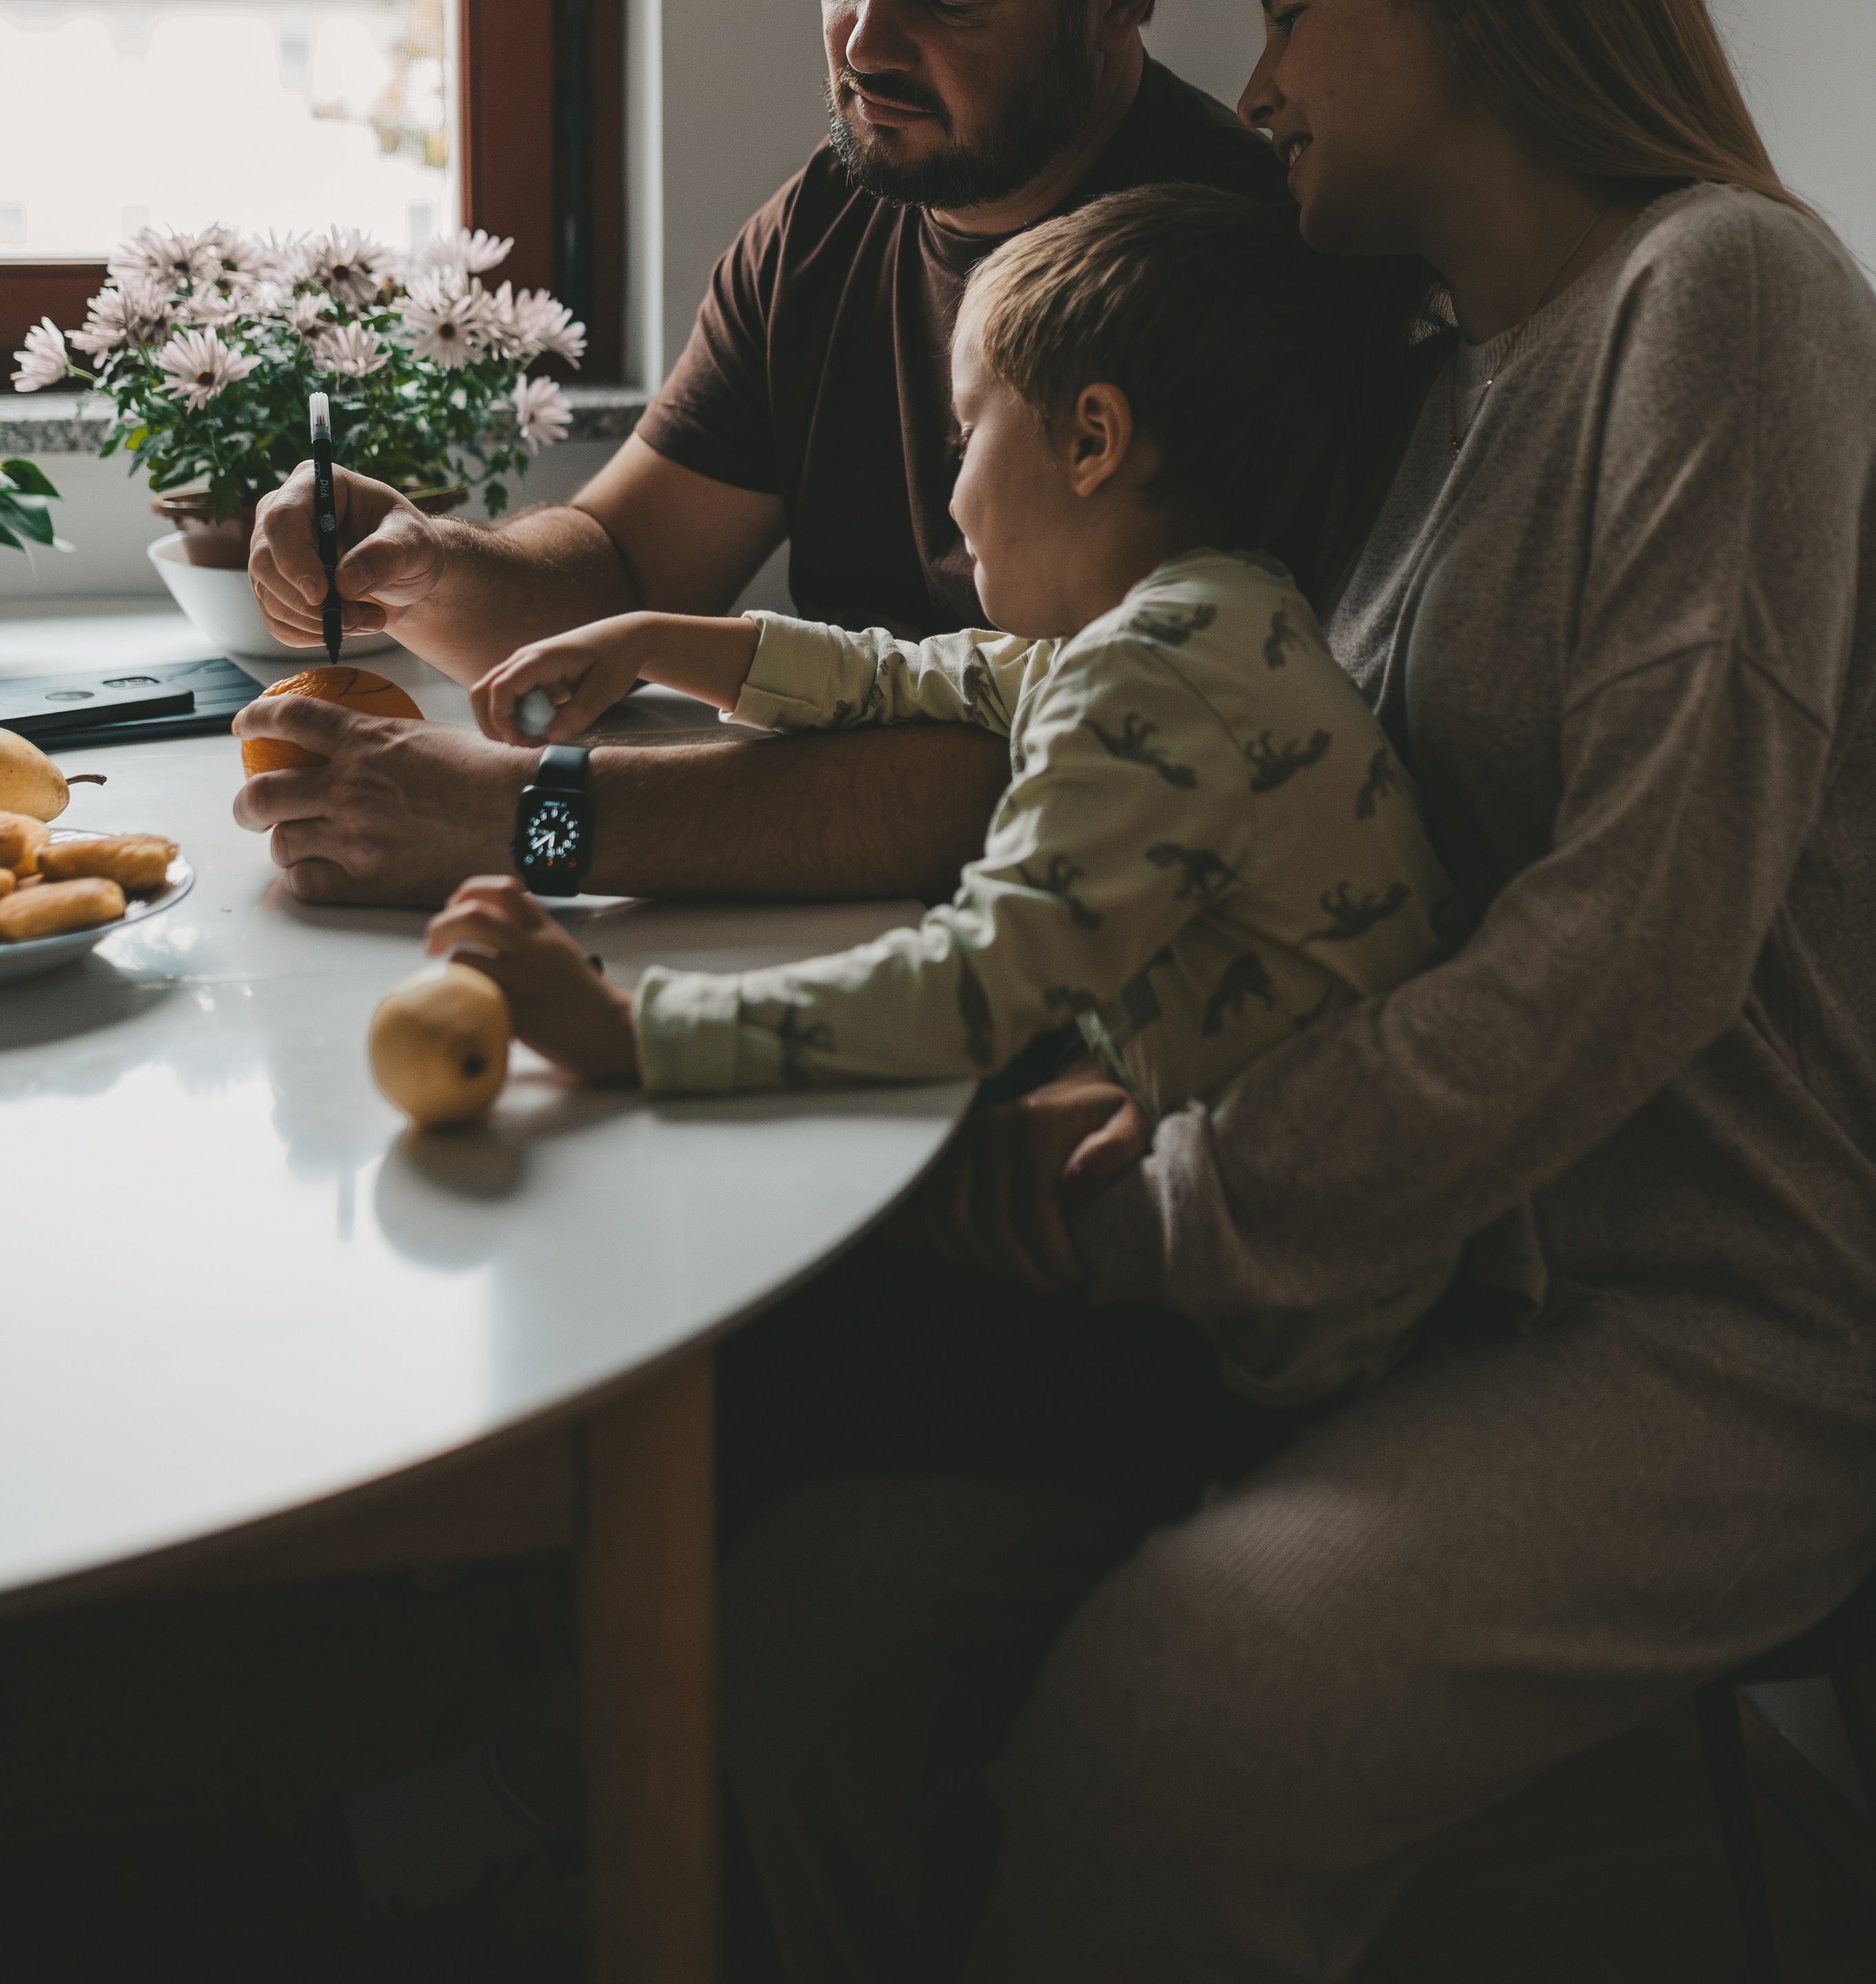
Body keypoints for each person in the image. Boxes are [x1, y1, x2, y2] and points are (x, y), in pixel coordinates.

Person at [714, 0, 1876, 1981]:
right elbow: (1158, 756)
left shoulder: (1719, 297)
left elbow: (1634, 935)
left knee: (1180, 1702)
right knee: (807, 1623)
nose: (1247, 94)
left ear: (1485, 14)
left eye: (1294, 18)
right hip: (1385, 1253)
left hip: (1679, 1311)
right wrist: (544, 767)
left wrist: (1185, 1183)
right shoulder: (1418, 379)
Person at [234, 0, 1290, 912]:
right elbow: (628, 563)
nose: (865, 48)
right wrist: (421, 564)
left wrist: (527, 821)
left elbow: (1063, 756)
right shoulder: (830, 221)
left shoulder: (1230, 267)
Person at [426, 183, 1460, 1407]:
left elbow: (973, 987)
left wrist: (631, 1035)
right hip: (1311, 1252)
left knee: (742, 1324)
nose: (949, 489)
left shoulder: (1149, 672)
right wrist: (652, 639)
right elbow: (910, 675)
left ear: (1092, 440)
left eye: (968, 435)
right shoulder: (1226, 615)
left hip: (1284, 1335)